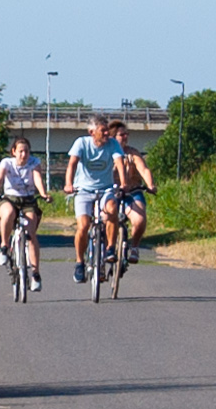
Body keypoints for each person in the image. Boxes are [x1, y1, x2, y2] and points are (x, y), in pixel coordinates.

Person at [62, 120, 122, 287]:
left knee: (112, 209)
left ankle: (110, 248)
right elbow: (72, 164)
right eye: (102, 131)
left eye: (106, 131)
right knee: (83, 226)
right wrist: (69, 184)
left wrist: (123, 183)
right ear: (91, 132)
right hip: (83, 191)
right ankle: (80, 262)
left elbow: (119, 163)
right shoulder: (81, 143)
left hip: (106, 189)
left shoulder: (113, 144)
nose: (106, 134)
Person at [0, 138, 47, 287]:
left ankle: (35, 274)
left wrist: (43, 193)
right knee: (8, 214)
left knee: (31, 233)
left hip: (28, 201)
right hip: (10, 199)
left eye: (26, 151)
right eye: (20, 151)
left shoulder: (34, 162)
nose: (24, 154)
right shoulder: (6, 163)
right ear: (14, 152)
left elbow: (37, 179)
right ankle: (4, 246)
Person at [103, 120, 155, 261]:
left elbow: (144, 169)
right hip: (110, 193)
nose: (125, 137)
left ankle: (134, 247)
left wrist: (150, 185)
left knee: (139, 220)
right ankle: (102, 254)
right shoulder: (106, 152)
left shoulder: (132, 153)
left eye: (127, 134)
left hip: (132, 192)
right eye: (122, 135)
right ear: (113, 137)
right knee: (103, 220)